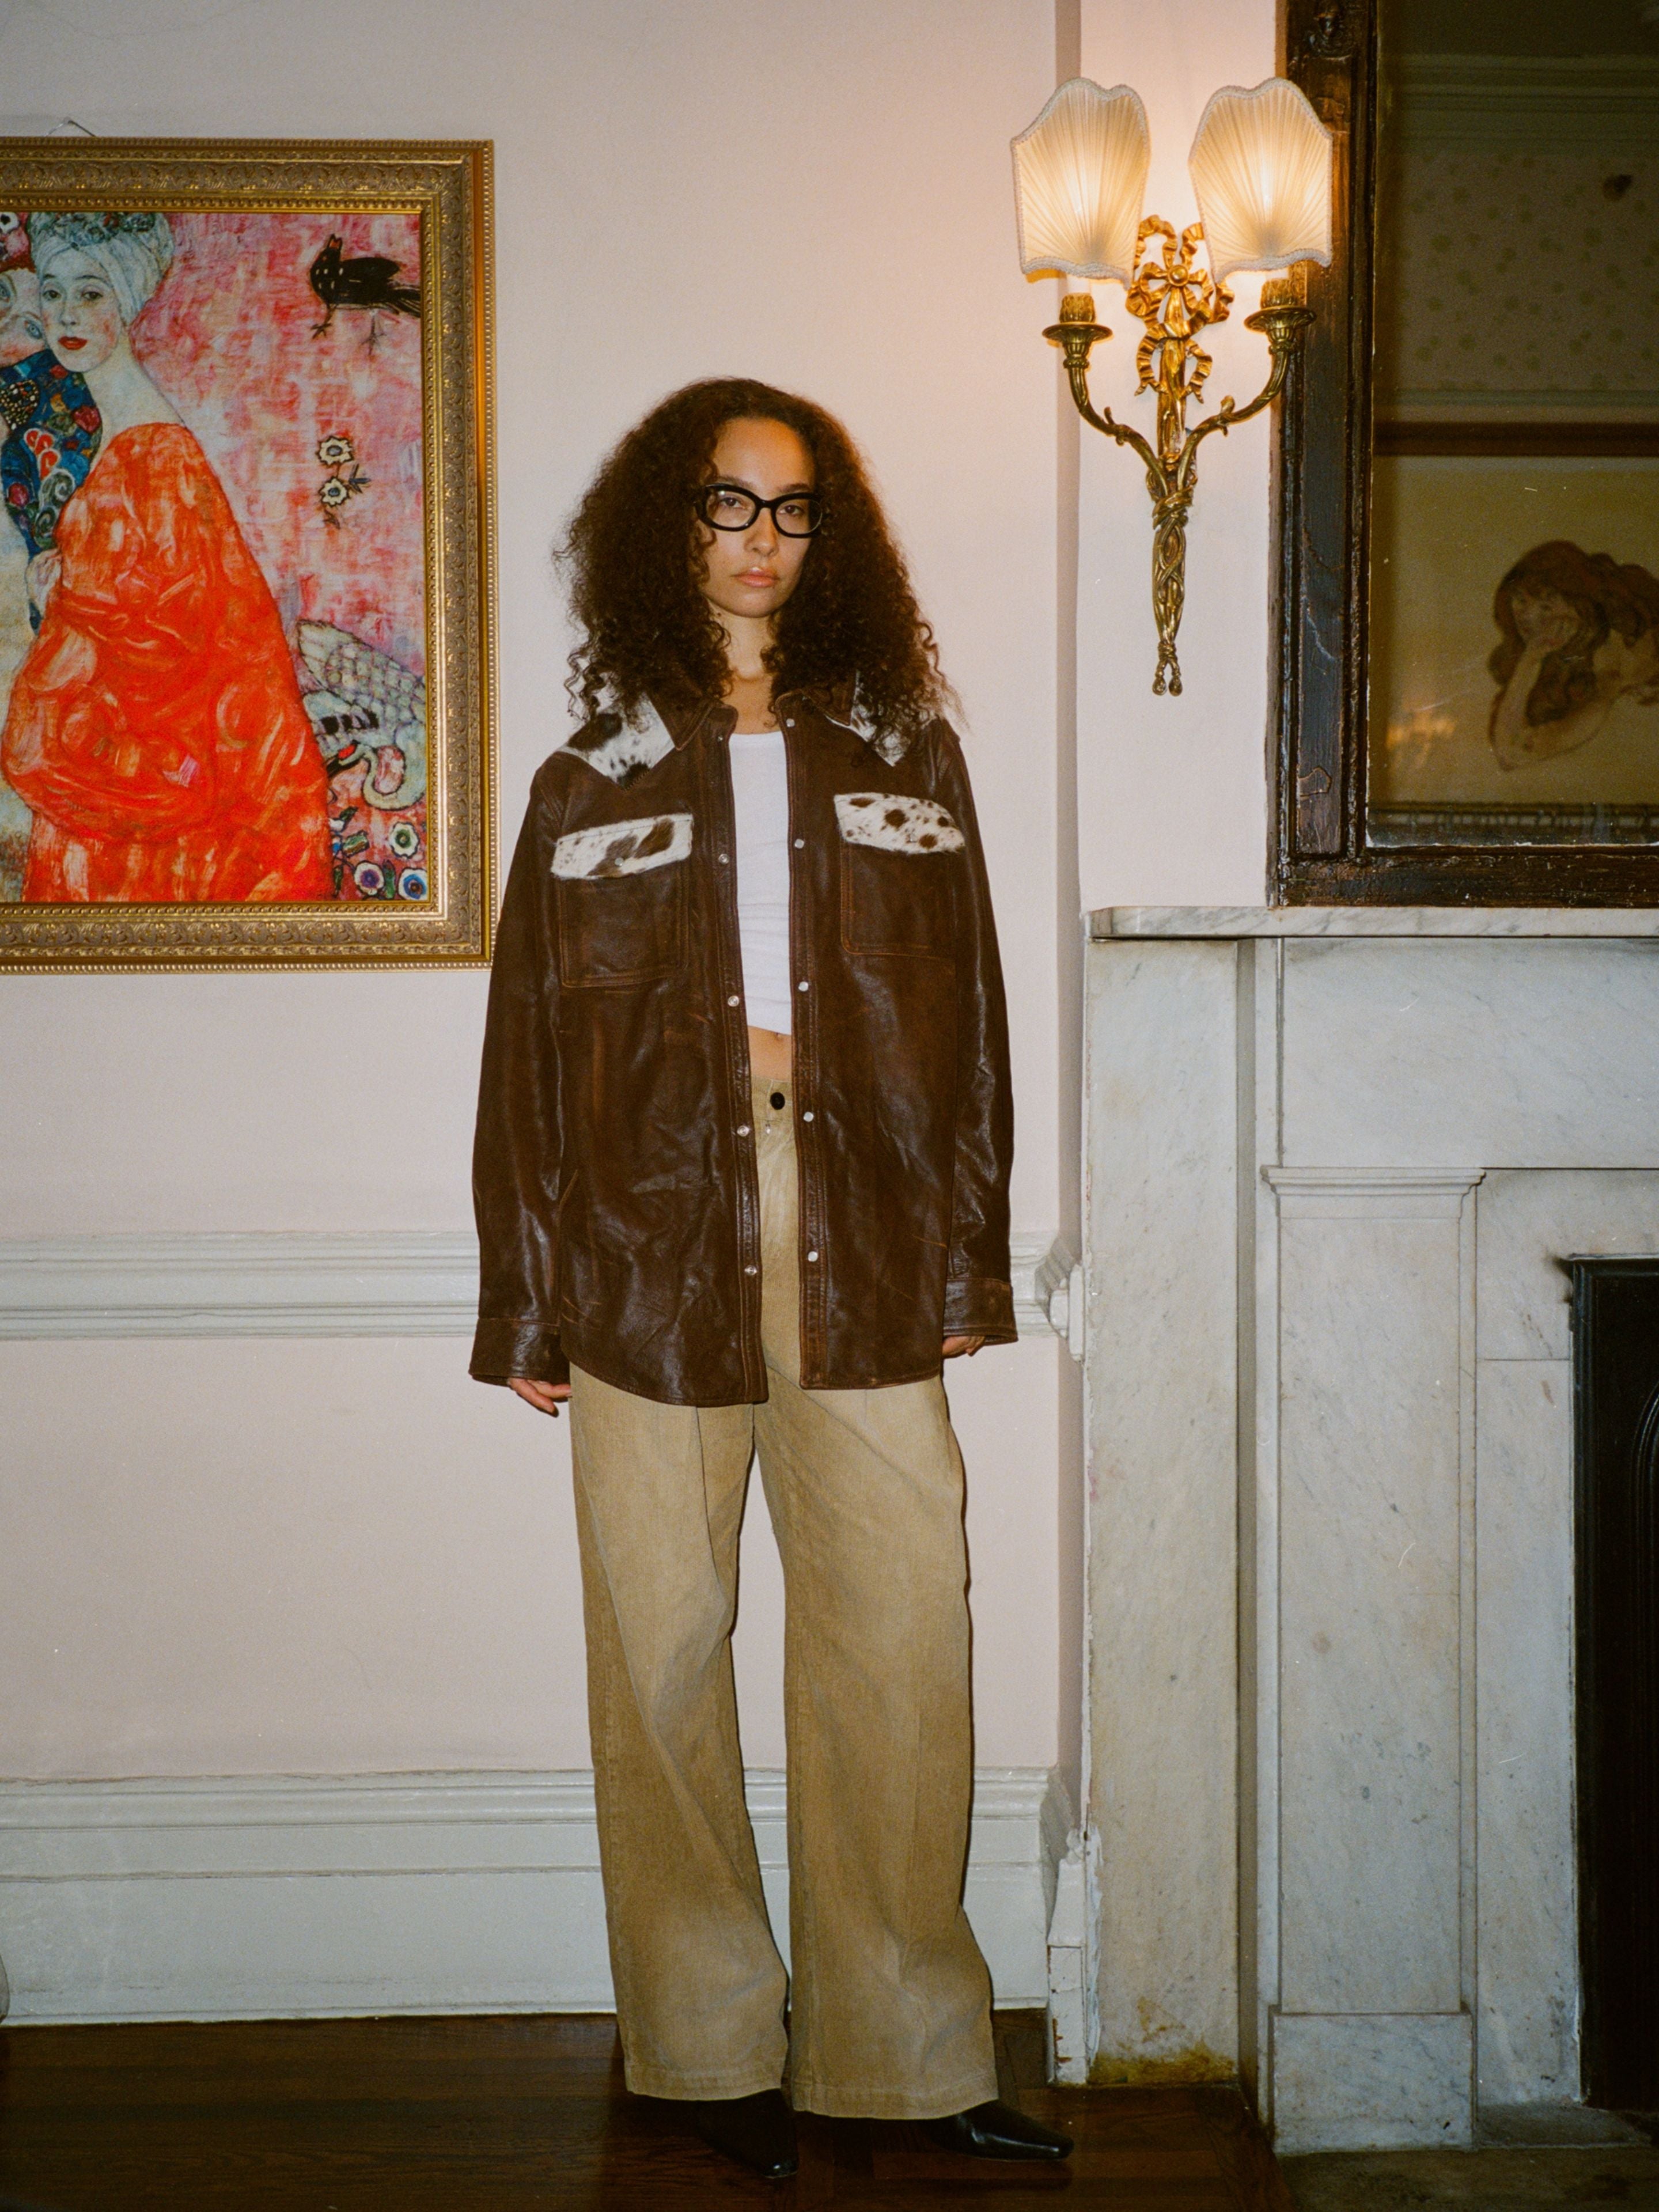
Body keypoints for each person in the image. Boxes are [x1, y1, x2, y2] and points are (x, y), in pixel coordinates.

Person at [470, 379, 1073, 2178]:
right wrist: (528, 1298)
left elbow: (969, 1023)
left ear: (833, 542)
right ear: (673, 526)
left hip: (870, 1220)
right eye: (730, 503)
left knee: (902, 1633)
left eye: (795, 508)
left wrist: (967, 1249)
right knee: (660, 1652)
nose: (762, 536)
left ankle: (899, 2045)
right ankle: (707, 2045)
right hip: (652, 1232)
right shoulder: (589, 780)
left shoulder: (907, 758)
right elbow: (524, 1056)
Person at [0, 211, 331, 903]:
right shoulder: (118, 433)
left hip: (158, 761)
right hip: (127, 750)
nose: (67, 314)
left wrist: (57, 594)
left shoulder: (155, 452)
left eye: (91, 294)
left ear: (126, 300)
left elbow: (174, 636)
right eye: (54, 293)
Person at [1488, 539, 1659, 771]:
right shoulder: (1559, 656)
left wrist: (1531, 660)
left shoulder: (1617, 656)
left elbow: (1515, 752)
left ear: (1582, 603)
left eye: (1548, 602)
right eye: (1520, 600)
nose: (1527, 617)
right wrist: (1531, 660)